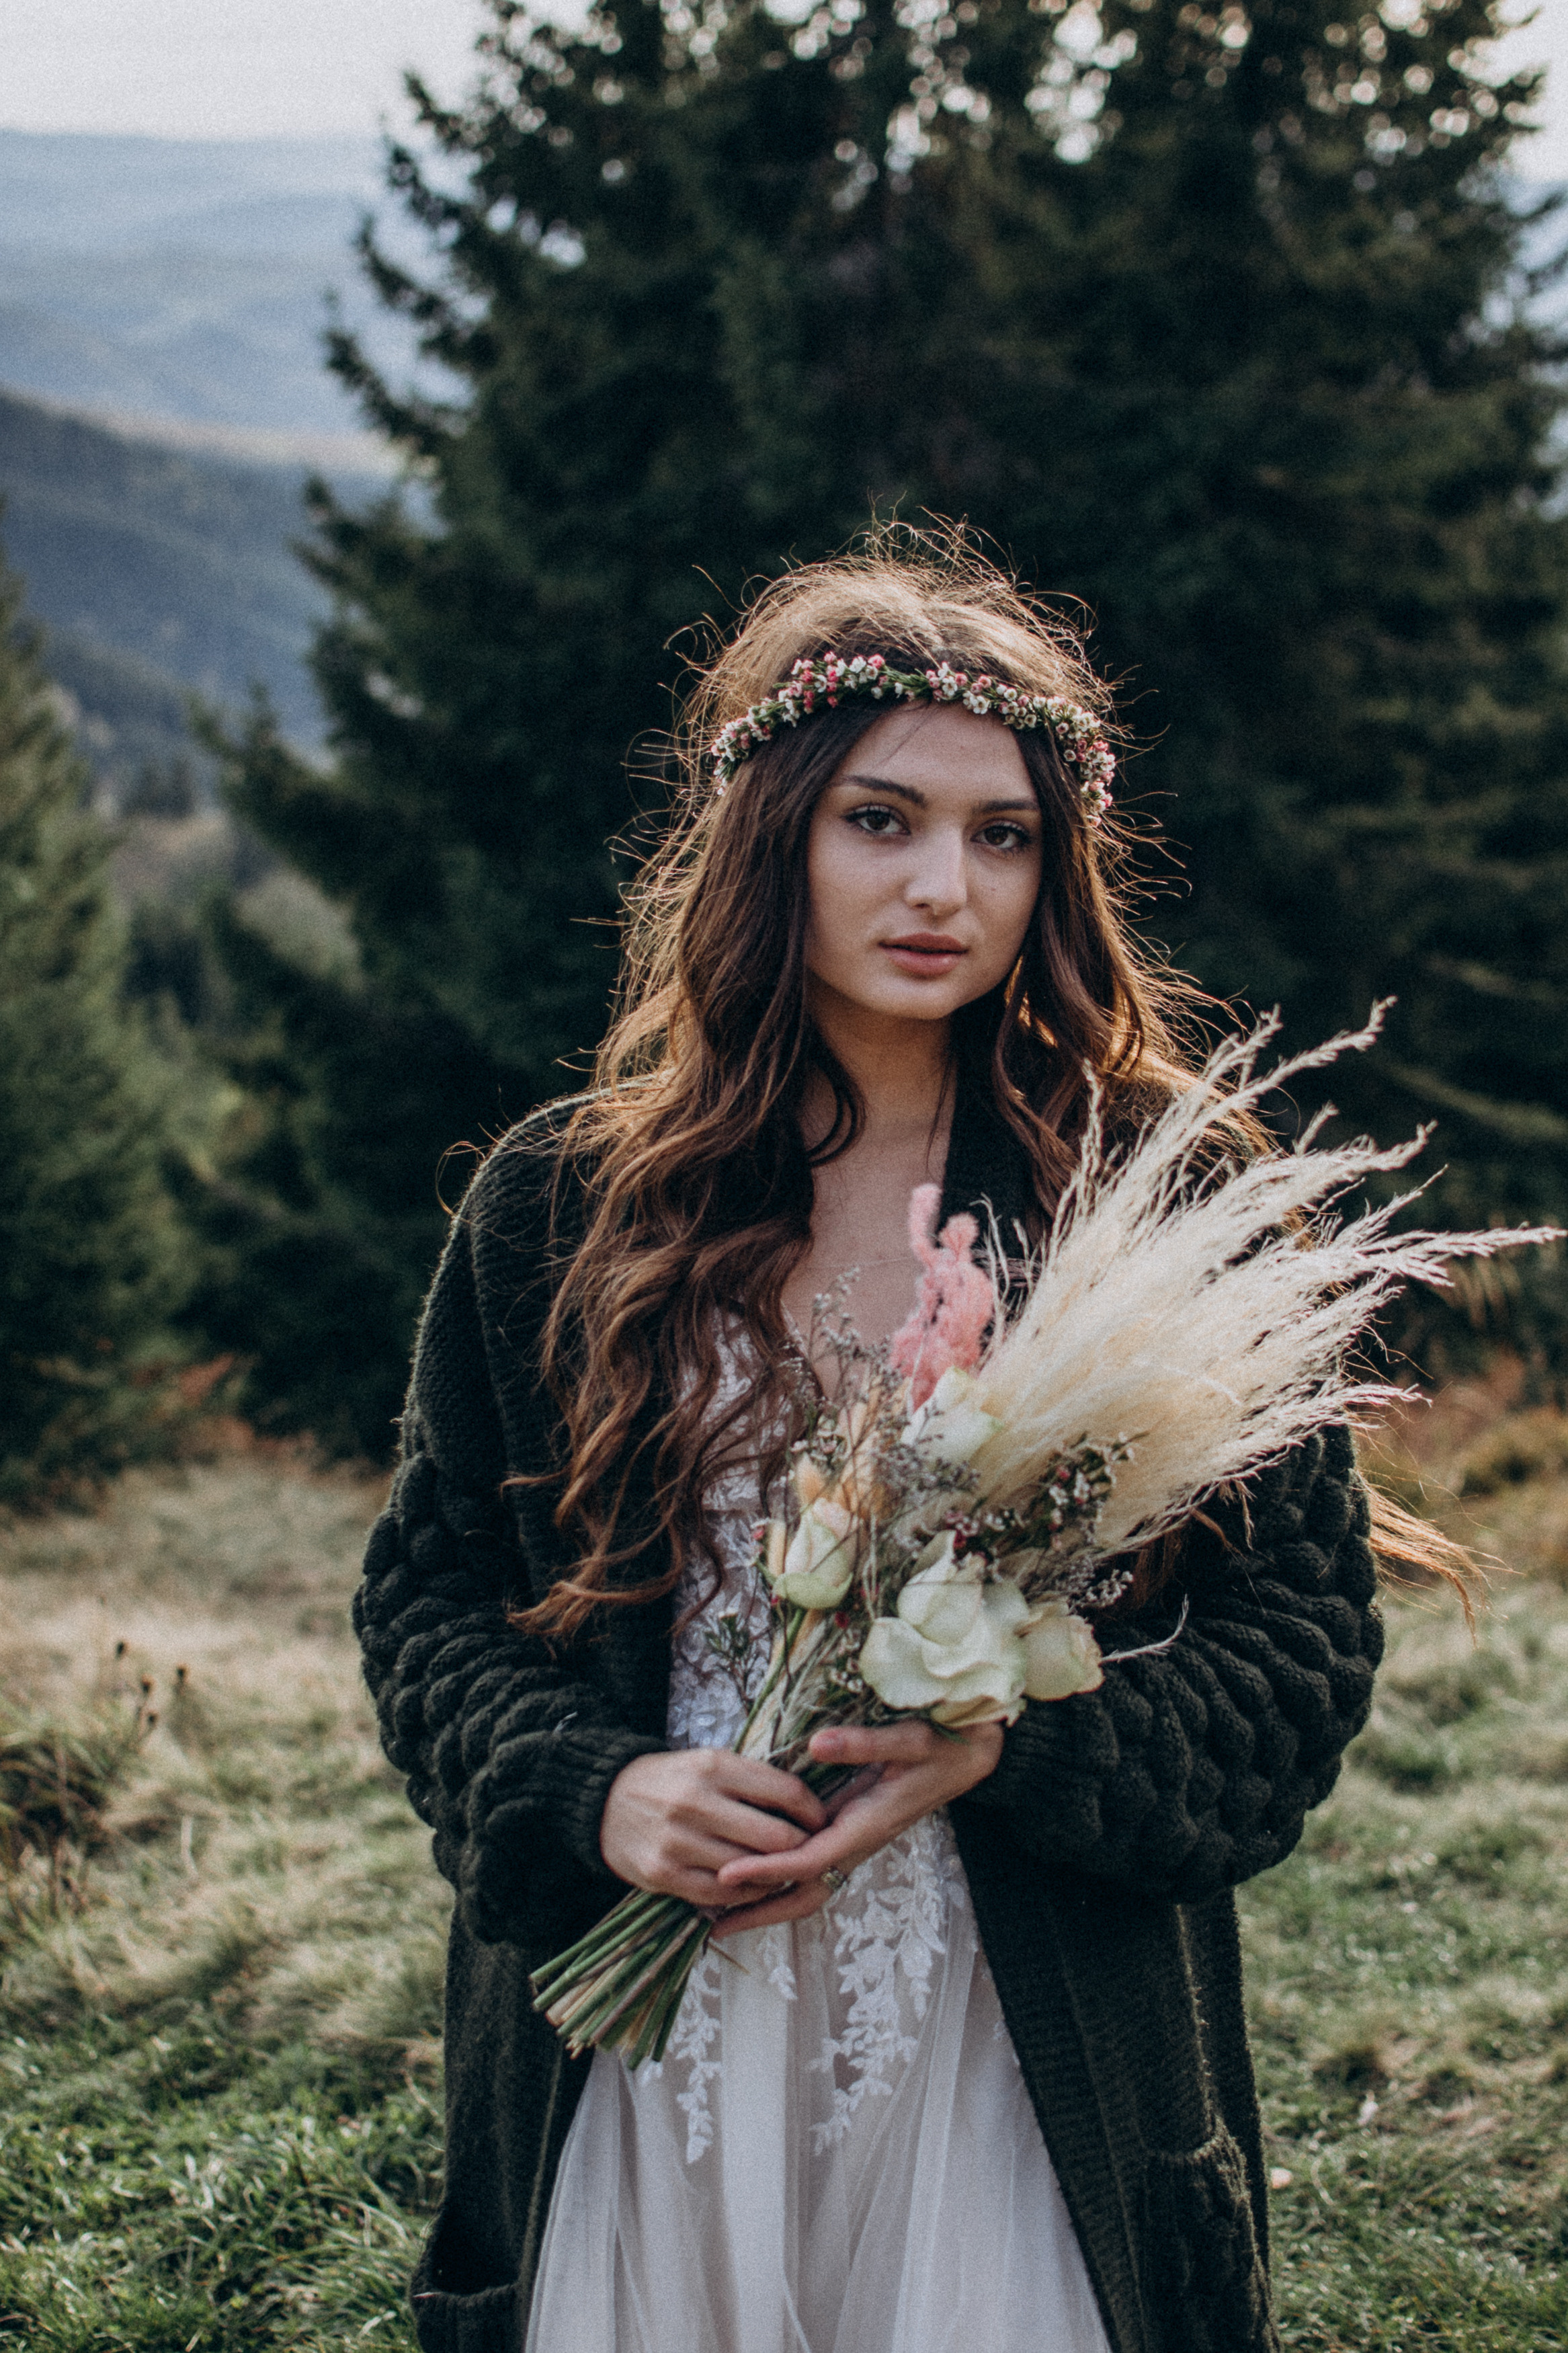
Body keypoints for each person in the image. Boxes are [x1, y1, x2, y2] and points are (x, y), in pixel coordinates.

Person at [356, 531, 1403, 2353]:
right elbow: (428, 1598)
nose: (948, 885)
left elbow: (1302, 1642)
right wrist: (594, 1792)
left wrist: (1018, 1742)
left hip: (1022, 2039)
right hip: (656, 2030)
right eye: (881, 820)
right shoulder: (561, 1206)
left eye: (1004, 834)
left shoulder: (1142, 1202)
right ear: (774, 837)